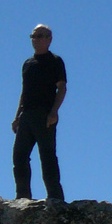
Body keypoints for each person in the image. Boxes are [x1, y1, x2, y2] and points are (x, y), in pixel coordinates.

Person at [11, 24, 67, 201]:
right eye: (34, 36)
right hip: (27, 115)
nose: (36, 40)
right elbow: (24, 90)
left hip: (45, 115)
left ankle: (55, 197)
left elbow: (62, 88)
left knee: (47, 156)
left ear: (49, 39)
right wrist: (17, 116)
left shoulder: (55, 61)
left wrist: (54, 112)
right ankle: (22, 197)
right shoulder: (28, 64)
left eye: (41, 36)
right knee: (19, 157)